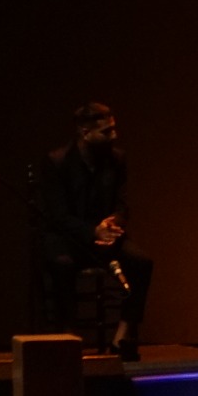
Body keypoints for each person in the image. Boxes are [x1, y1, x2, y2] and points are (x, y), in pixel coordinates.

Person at [39, 102, 152, 361]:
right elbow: (57, 216)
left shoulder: (117, 159)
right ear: (84, 132)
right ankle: (69, 335)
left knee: (142, 262)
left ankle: (123, 334)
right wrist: (92, 231)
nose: (114, 136)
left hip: (106, 236)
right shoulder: (56, 162)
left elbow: (122, 203)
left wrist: (115, 222)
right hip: (69, 238)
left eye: (113, 129)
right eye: (106, 132)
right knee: (61, 264)